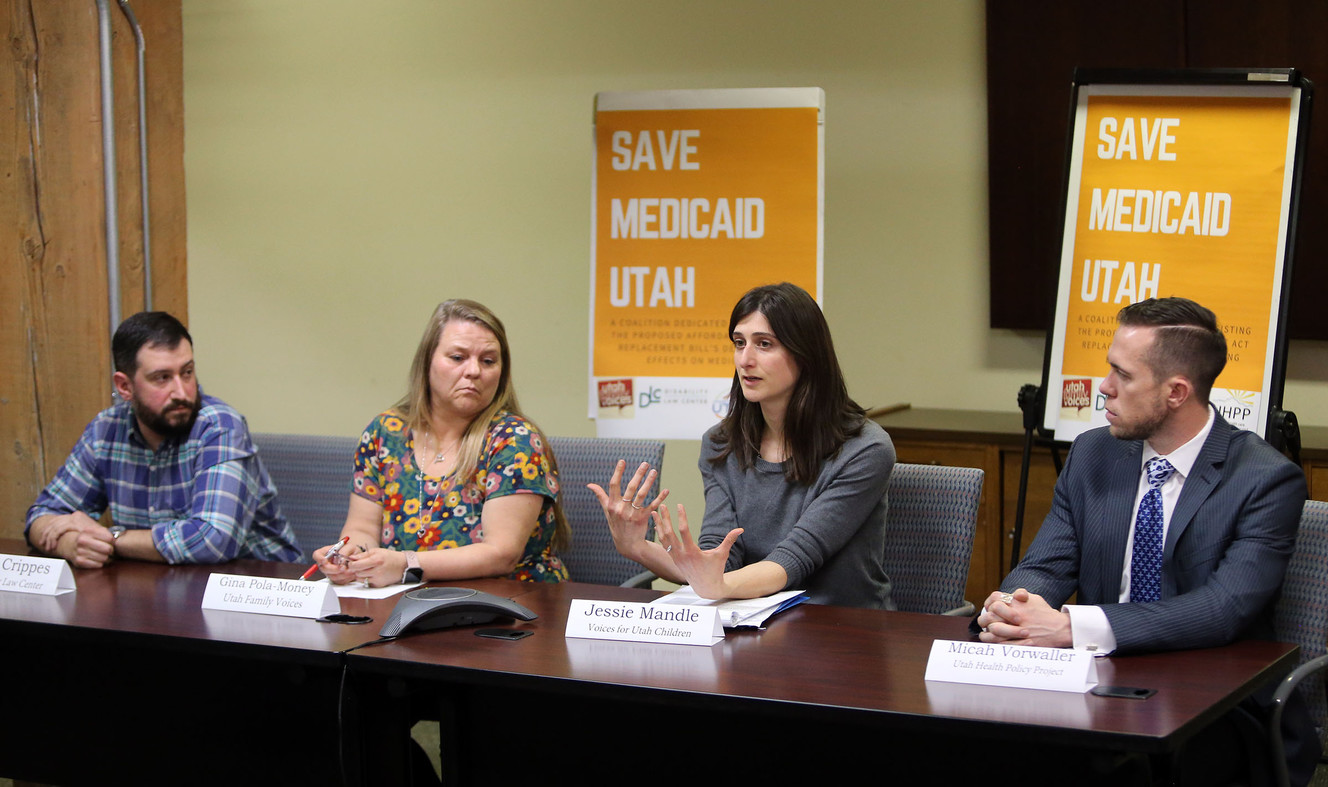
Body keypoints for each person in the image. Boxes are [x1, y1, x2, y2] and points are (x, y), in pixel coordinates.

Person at [975, 297, 1317, 785]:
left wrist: (1073, 626)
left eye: (1123, 375)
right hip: (1094, 688)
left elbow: (1222, 609)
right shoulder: (1095, 453)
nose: (1104, 388)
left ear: (1176, 391)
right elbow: (1047, 564)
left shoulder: (1264, 478)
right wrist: (1014, 607)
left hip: (1214, 704)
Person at [591, 282, 896, 609]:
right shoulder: (720, 444)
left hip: (844, 632)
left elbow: (793, 559)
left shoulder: (865, 449)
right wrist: (637, 547)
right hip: (755, 625)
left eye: (764, 344)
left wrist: (716, 583)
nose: (745, 360)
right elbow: (718, 559)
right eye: (739, 343)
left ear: (806, 354)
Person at [314, 299, 568, 587]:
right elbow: (362, 528)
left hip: (510, 605)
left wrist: (404, 564)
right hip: (404, 598)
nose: (474, 371)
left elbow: (501, 554)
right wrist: (351, 557)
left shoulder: (514, 439)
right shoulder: (385, 432)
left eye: (488, 361)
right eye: (458, 358)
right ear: (428, 362)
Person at [26, 311, 300, 566]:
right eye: (162, 378)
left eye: (187, 372)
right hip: (158, 589)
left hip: (256, 589)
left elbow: (212, 540)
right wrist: (69, 543)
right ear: (124, 386)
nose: (181, 391)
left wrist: (108, 538)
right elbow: (42, 515)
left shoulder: (220, 427)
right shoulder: (106, 430)